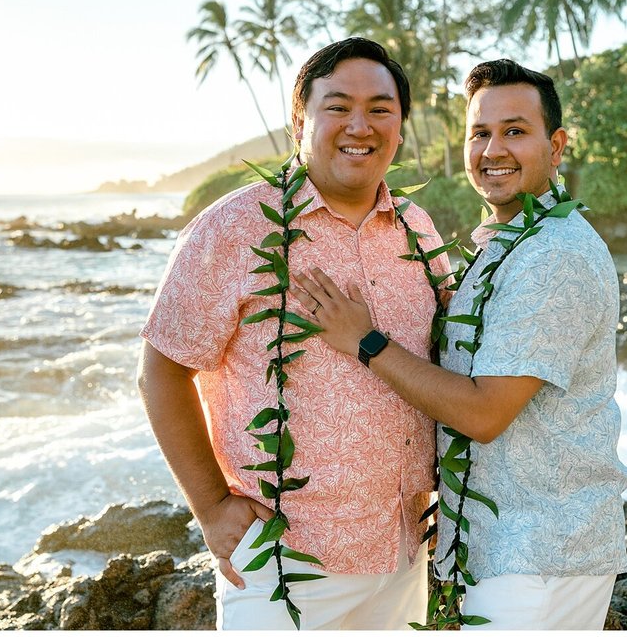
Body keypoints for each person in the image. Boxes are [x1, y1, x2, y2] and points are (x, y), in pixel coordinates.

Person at [291, 59, 627, 630]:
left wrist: (364, 340)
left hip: (541, 553)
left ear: (557, 145)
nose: (493, 149)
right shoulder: (507, 244)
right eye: (480, 132)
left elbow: (483, 411)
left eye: (515, 131)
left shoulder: (556, 255)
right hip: (502, 546)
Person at [137, 37, 449, 630]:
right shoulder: (235, 226)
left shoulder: (417, 228)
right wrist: (210, 506)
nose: (360, 125)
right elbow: (163, 368)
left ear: (401, 128)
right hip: (284, 562)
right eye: (338, 106)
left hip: (405, 552)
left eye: (381, 109)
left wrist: (450, 489)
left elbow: (446, 366)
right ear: (300, 119)